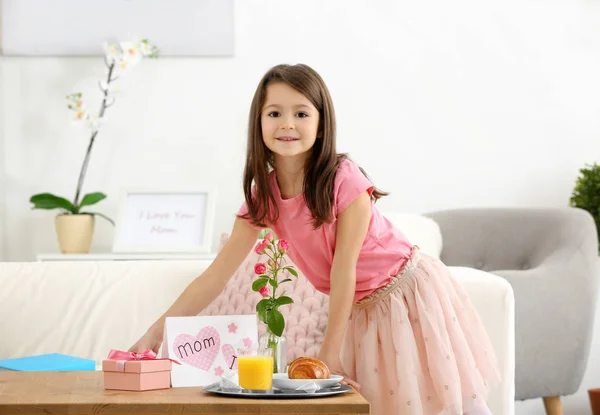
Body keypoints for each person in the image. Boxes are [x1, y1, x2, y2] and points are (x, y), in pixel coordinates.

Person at [130, 63, 500, 415]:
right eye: (274, 113)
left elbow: (344, 269)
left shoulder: (344, 178)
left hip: (407, 293)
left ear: (321, 125)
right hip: (364, 310)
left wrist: (330, 350)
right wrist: (155, 332)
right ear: (258, 123)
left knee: (452, 401)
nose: (287, 124)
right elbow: (215, 276)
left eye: (302, 114)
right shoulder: (265, 197)